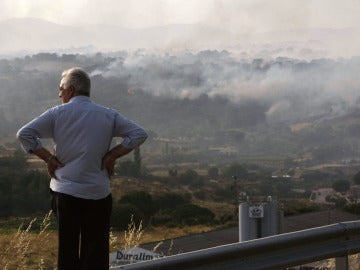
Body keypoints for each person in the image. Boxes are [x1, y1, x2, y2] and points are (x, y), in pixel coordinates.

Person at [16, 67, 148, 270]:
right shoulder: (108, 115)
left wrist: (49, 158)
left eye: (61, 89)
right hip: (98, 193)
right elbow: (139, 134)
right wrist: (113, 154)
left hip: (65, 193)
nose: (59, 94)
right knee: (95, 254)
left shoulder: (57, 114)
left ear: (70, 90)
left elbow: (24, 134)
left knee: (67, 251)